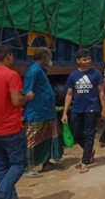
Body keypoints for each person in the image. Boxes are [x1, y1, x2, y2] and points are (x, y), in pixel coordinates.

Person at [0, 44, 33, 199]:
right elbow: (16, 101)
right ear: (8, 56)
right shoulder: (11, 75)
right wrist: (27, 97)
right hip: (10, 129)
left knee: (0, 167)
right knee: (18, 165)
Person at [61, 49, 105, 173]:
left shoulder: (96, 74)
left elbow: (101, 91)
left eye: (89, 58)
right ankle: (89, 151)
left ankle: (85, 161)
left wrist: (104, 108)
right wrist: (65, 112)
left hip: (91, 108)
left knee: (89, 134)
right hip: (77, 108)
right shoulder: (73, 75)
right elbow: (69, 94)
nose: (88, 61)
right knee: (76, 133)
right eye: (84, 59)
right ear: (78, 61)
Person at [23, 47, 64, 177]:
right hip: (37, 112)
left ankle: (46, 161)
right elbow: (27, 91)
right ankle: (28, 168)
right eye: (49, 56)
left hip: (47, 111)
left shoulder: (41, 70)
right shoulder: (33, 71)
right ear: (44, 57)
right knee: (32, 140)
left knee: (48, 137)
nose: (50, 59)